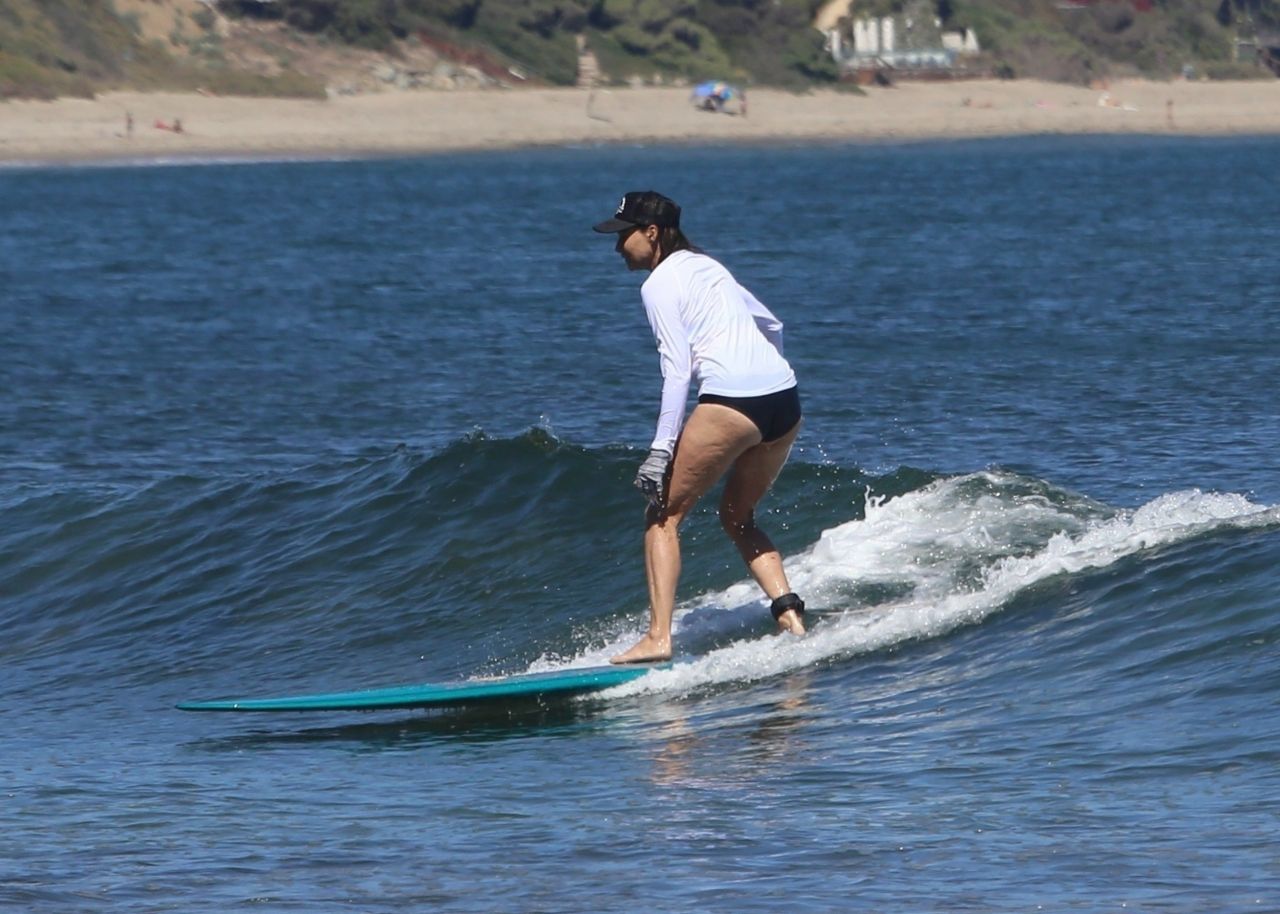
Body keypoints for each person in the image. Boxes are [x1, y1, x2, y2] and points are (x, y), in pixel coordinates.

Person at [593, 191, 806, 664]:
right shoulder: (709, 267)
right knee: (738, 517)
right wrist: (763, 372)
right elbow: (772, 323)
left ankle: (657, 638)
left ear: (651, 233)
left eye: (623, 235)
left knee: (662, 516)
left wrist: (659, 449)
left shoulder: (658, 284)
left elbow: (677, 370)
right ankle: (791, 620)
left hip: (732, 400)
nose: (616, 247)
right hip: (783, 398)